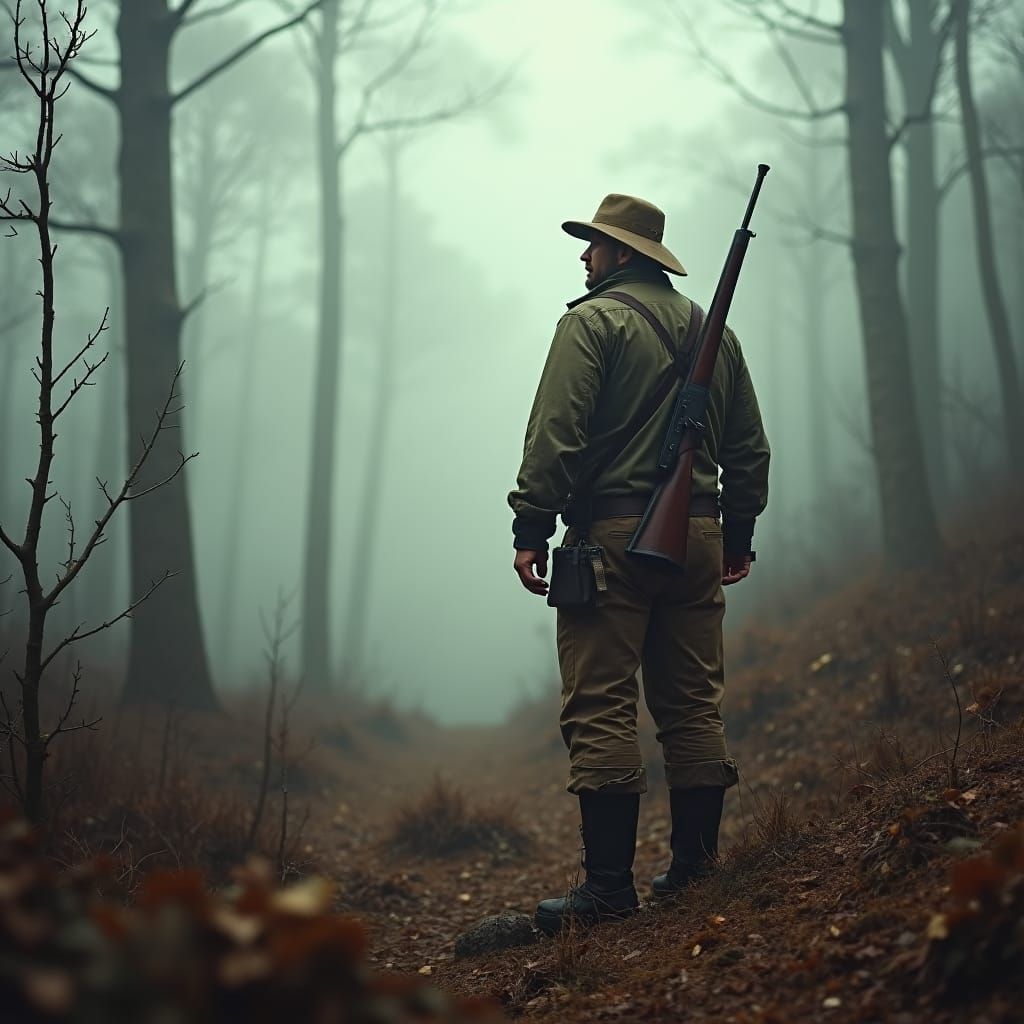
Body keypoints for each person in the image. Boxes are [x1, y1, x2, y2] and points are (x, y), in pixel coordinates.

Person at [508, 194, 770, 936]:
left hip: (612, 541)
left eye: (594, 244)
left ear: (621, 254)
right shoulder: (716, 334)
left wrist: (531, 519)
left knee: (601, 706)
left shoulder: (590, 322)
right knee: (692, 705)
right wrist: (738, 535)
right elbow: (749, 448)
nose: (584, 256)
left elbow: (555, 432)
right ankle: (693, 872)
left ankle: (607, 889)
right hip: (698, 539)